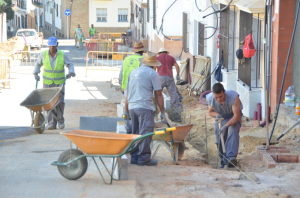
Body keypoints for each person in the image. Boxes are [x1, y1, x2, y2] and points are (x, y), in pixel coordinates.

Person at [124, 52, 166, 166]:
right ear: (153, 65)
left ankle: (134, 157)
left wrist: (126, 110)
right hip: (145, 107)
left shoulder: (133, 73)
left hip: (132, 106)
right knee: (146, 133)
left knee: (135, 133)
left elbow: (127, 93)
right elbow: (158, 94)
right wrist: (162, 112)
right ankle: (143, 159)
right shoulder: (153, 73)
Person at [33, 37, 76, 130]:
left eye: (54, 45)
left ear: (57, 44)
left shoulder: (62, 54)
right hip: (47, 83)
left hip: (59, 83)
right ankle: (51, 123)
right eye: (50, 45)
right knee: (48, 103)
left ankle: (60, 121)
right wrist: (35, 73)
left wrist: (71, 71)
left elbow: (70, 64)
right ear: (48, 45)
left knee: (59, 102)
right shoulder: (43, 54)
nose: (52, 47)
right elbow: (38, 64)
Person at [206, 83, 243, 168]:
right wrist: (217, 115)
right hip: (222, 117)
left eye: (221, 96)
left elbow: (237, 116)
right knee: (220, 136)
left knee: (232, 130)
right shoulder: (210, 98)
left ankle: (231, 158)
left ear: (224, 92)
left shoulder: (233, 97)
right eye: (216, 97)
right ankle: (223, 160)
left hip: (233, 116)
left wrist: (226, 126)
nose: (218, 99)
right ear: (213, 94)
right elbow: (210, 112)